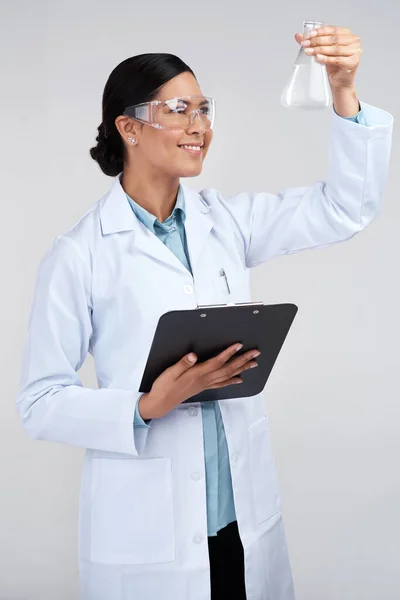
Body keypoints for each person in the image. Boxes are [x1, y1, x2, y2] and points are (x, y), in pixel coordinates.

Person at [16, 25, 393, 600]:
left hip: (240, 525)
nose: (200, 126)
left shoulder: (227, 223)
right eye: (179, 108)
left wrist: (343, 91)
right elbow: (39, 402)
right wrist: (145, 406)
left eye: (204, 109)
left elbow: (344, 208)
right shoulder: (80, 253)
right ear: (129, 127)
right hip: (150, 537)